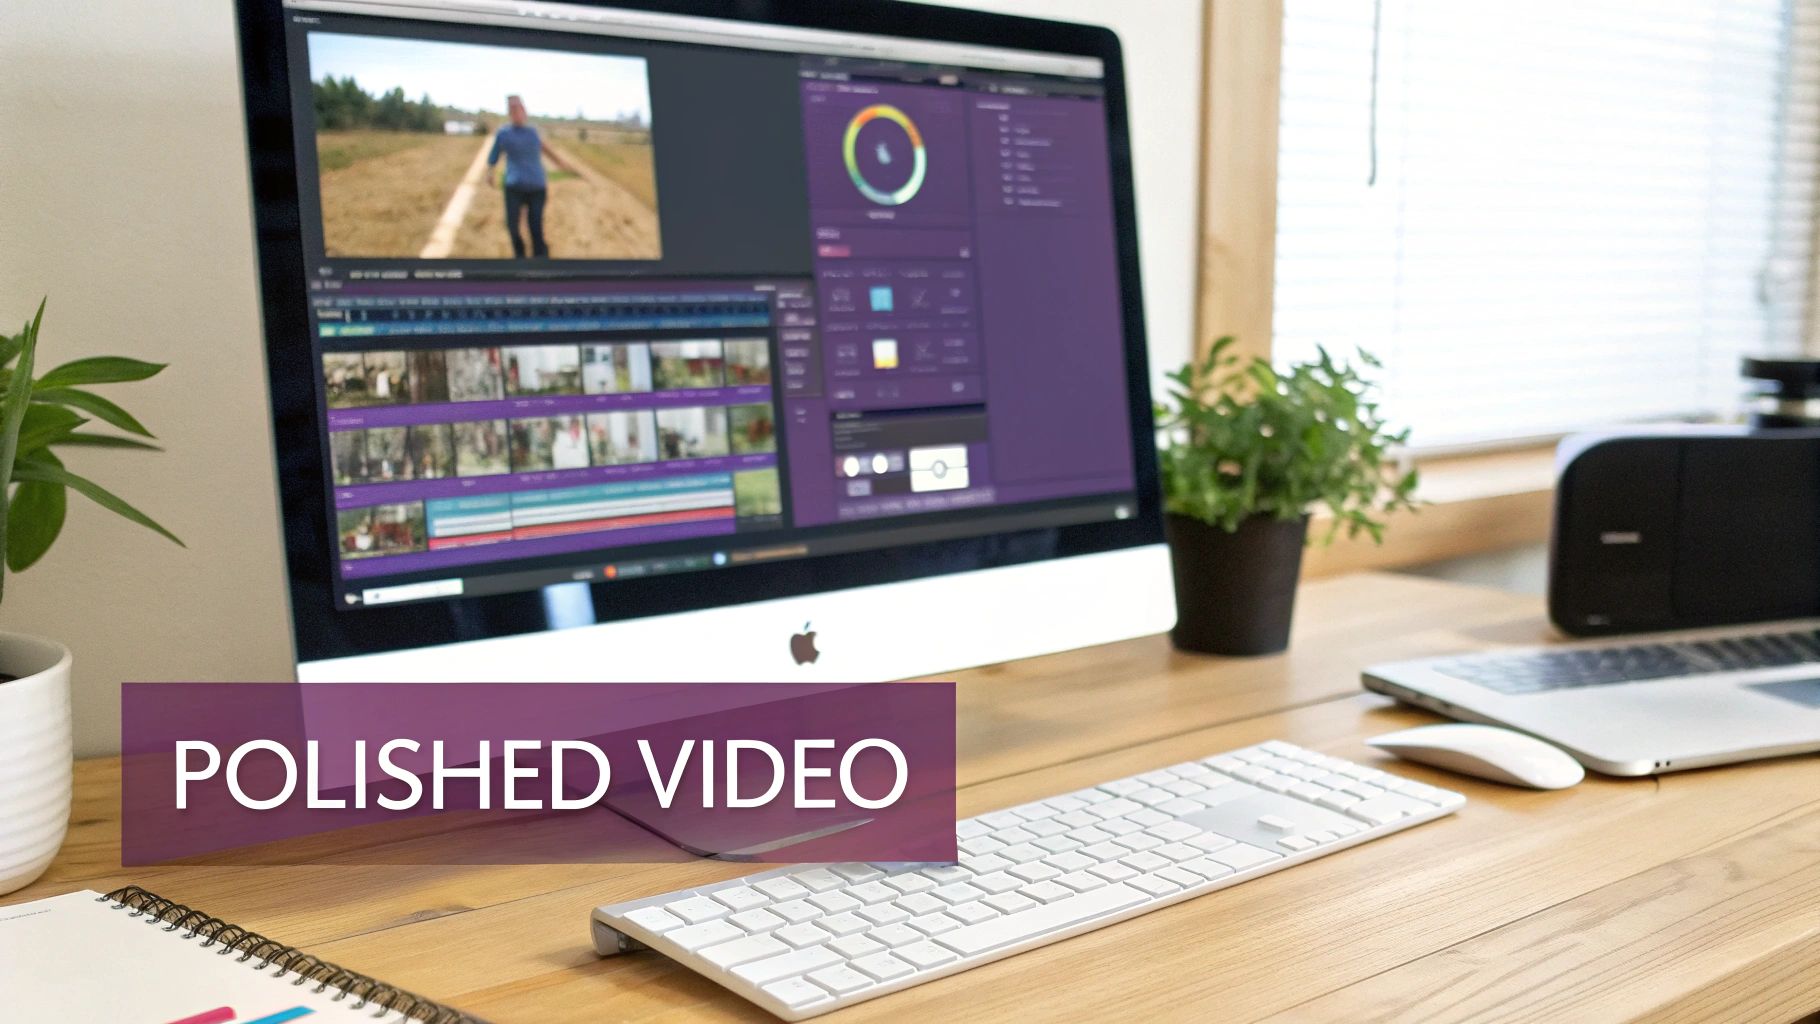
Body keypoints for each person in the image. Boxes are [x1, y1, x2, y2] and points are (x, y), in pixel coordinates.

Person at [487, 95, 578, 259]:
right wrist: (490, 172)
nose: (516, 112)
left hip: (537, 188)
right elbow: (495, 153)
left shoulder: (533, 133)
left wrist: (564, 165)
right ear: (509, 113)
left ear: (524, 111)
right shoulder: (504, 133)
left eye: (519, 108)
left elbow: (548, 151)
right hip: (513, 187)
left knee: (535, 226)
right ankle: (520, 256)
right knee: (512, 227)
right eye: (512, 109)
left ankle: (540, 260)